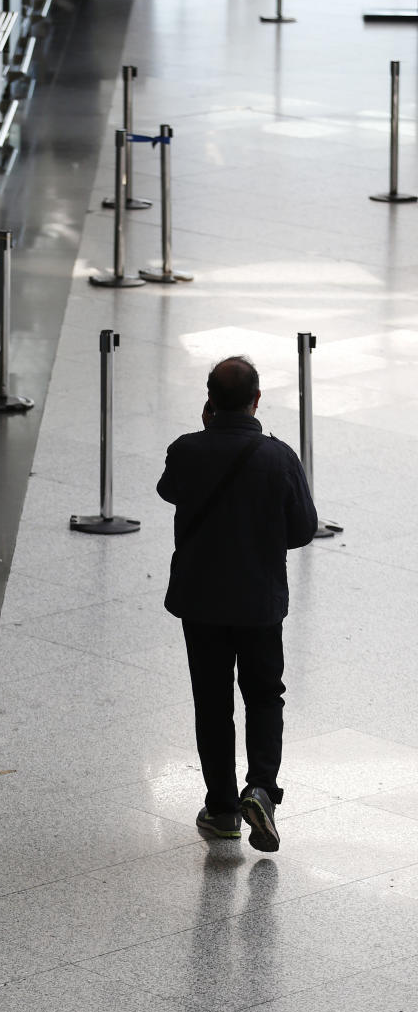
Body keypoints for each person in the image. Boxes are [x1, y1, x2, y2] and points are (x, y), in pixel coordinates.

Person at [156, 357, 318, 853]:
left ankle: (223, 809)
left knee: (213, 702)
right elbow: (303, 530)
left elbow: (168, 490)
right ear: (258, 399)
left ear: (209, 400)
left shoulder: (188, 450)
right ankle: (262, 791)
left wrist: (207, 432)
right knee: (265, 696)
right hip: (259, 602)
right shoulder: (279, 457)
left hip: (202, 601)